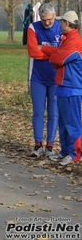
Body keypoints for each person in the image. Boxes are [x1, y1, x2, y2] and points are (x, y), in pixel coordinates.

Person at [41, 11, 82, 166]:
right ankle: (66, 151)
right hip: (64, 86)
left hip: (72, 87)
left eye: (61, 22)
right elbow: (57, 55)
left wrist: (50, 55)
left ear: (67, 24)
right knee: (64, 123)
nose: (59, 24)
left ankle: (76, 154)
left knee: (73, 123)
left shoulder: (74, 42)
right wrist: (48, 51)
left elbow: (58, 59)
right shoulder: (67, 40)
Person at [26, 3, 61, 158]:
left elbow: (64, 52)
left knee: (54, 113)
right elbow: (33, 52)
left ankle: (50, 146)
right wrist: (54, 53)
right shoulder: (33, 28)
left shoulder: (61, 29)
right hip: (38, 78)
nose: (47, 23)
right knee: (38, 112)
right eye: (44, 20)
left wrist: (44, 49)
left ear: (55, 15)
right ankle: (38, 144)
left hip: (56, 78)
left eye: (50, 19)